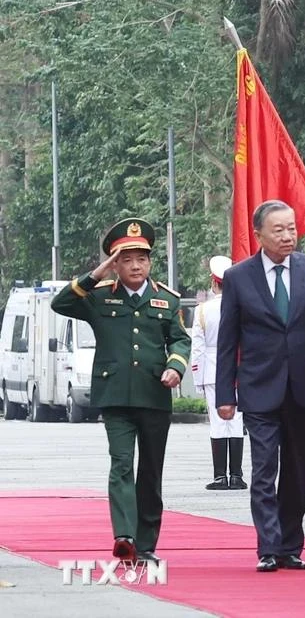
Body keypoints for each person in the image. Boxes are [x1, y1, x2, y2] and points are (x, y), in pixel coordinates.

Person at [215, 200, 305, 573]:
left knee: (299, 471)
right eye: (279, 229)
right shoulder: (239, 277)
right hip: (259, 389)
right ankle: (268, 546)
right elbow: (228, 340)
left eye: (292, 228)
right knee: (263, 469)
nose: (288, 235)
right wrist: (225, 394)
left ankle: (291, 544)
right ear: (259, 234)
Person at [51, 217, 191, 563]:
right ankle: (125, 536)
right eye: (125, 260)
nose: (134, 266)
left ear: (149, 262)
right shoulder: (98, 297)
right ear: (115, 264)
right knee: (122, 464)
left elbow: (180, 339)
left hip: (154, 396)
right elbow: (61, 303)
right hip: (115, 397)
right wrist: (96, 273)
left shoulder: (167, 299)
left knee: (150, 472)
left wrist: (175, 366)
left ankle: (146, 545)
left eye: (140, 259)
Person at [191, 256, 247, 491]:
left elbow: (198, 347)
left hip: (213, 370)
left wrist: (198, 378)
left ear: (214, 284)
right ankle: (236, 475)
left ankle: (219, 477)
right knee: (236, 421)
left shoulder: (203, 310)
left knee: (217, 422)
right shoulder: (244, 307)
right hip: (240, 369)